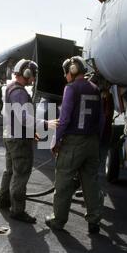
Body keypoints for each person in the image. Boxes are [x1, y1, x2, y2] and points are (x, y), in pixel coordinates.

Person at [45, 56, 104, 234]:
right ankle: (94, 221)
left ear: (72, 70)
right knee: (91, 182)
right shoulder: (95, 89)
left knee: (63, 181)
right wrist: (95, 141)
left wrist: (55, 141)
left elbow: (64, 119)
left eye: (66, 73)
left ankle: (58, 221)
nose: (65, 77)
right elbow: (101, 120)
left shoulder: (70, 88)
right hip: (92, 142)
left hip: (73, 143)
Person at [0, 59, 57, 224]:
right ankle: (17, 211)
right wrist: (45, 124)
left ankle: (3, 201)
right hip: (19, 141)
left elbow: (9, 114)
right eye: (33, 74)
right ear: (26, 73)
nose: (34, 78)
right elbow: (23, 117)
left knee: (9, 171)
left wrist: (31, 133)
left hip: (10, 135)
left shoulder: (10, 88)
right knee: (21, 174)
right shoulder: (20, 92)